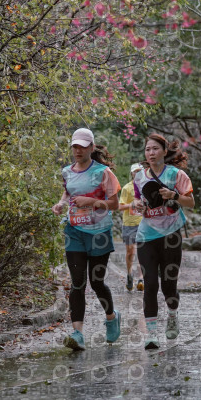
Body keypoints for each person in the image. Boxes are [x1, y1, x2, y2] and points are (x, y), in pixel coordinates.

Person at [51, 127, 122, 351]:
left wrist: (91, 202)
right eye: (75, 146)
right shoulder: (67, 172)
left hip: (99, 233)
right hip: (74, 232)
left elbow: (114, 204)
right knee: (77, 283)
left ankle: (111, 317)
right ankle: (78, 333)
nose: (78, 150)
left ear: (91, 147)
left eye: (82, 146)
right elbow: (68, 191)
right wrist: (61, 203)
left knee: (96, 282)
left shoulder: (103, 173)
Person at [131, 134, 195, 349]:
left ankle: (173, 314)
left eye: (155, 149)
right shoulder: (139, 177)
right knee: (150, 284)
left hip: (171, 235)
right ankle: (151, 334)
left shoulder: (176, 175)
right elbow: (138, 199)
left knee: (169, 285)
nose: (151, 153)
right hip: (146, 236)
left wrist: (173, 195)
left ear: (165, 151)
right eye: (147, 149)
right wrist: (138, 205)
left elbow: (191, 202)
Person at [118, 163, 145, 292]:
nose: (137, 173)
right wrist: (132, 204)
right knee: (130, 252)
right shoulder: (127, 188)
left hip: (144, 223)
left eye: (140, 171)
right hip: (129, 224)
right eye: (135, 171)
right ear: (132, 173)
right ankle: (129, 274)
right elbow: (120, 206)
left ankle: (141, 279)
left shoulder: (147, 186)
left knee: (142, 252)